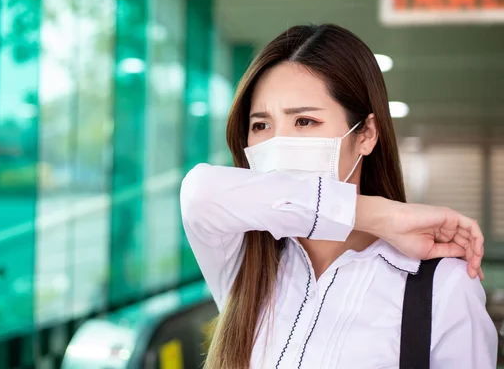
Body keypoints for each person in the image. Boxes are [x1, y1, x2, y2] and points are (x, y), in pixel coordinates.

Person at [180, 24, 497, 369]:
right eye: (261, 125)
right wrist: (377, 215)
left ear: (366, 135)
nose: (277, 143)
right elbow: (199, 193)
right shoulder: (246, 258)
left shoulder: (442, 287)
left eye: (304, 121)